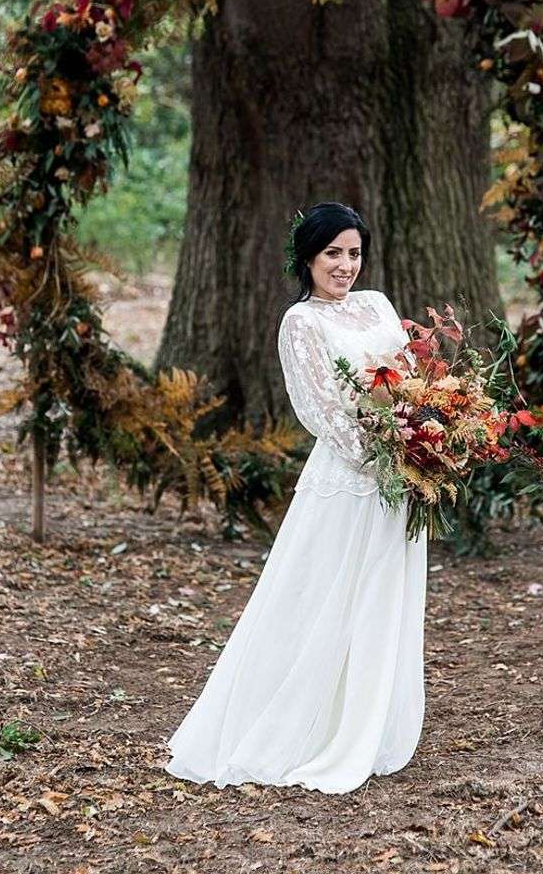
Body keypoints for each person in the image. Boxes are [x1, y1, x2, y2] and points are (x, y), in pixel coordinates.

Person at [164, 201, 427, 794]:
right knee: (319, 599)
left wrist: (427, 442)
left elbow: (411, 379)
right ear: (307, 257)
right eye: (333, 253)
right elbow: (321, 412)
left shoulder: (378, 305)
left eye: (354, 253)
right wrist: (388, 456)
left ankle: (367, 722)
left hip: (403, 477)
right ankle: (291, 726)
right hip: (350, 480)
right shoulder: (301, 324)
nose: (345, 265)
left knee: (382, 600)